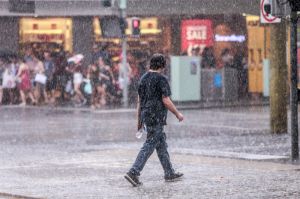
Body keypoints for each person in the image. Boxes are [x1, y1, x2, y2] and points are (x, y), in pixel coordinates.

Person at [124, 53, 184, 187]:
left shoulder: (143, 79)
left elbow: (139, 102)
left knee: (160, 143)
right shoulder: (161, 79)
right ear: (162, 65)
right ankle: (134, 172)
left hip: (147, 115)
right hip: (156, 116)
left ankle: (169, 172)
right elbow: (166, 100)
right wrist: (177, 113)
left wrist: (139, 121)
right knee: (150, 144)